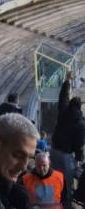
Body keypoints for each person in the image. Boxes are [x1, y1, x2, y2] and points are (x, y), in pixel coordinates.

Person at [51, 71, 85, 209]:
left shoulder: (63, 110)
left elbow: (63, 96)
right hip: (66, 156)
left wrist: (67, 81)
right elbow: (79, 145)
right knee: (67, 185)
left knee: (54, 180)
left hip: (53, 151)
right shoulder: (81, 123)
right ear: (80, 107)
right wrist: (78, 160)